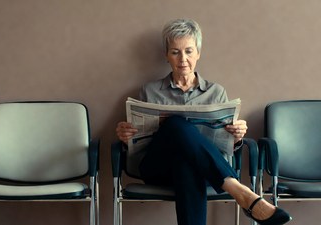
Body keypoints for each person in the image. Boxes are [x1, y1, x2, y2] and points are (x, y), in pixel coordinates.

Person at [115, 18, 291, 225]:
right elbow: (140, 142)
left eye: (189, 51)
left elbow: (224, 144)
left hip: (202, 171)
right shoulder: (149, 91)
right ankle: (238, 190)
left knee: (186, 164)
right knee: (175, 125)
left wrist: (236, 137)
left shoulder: (216, 93)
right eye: (175, 52)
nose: (183, 59)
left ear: (198, 53)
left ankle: (238, 191)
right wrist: (125, 136)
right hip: (157, 169)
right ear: (166, 55)